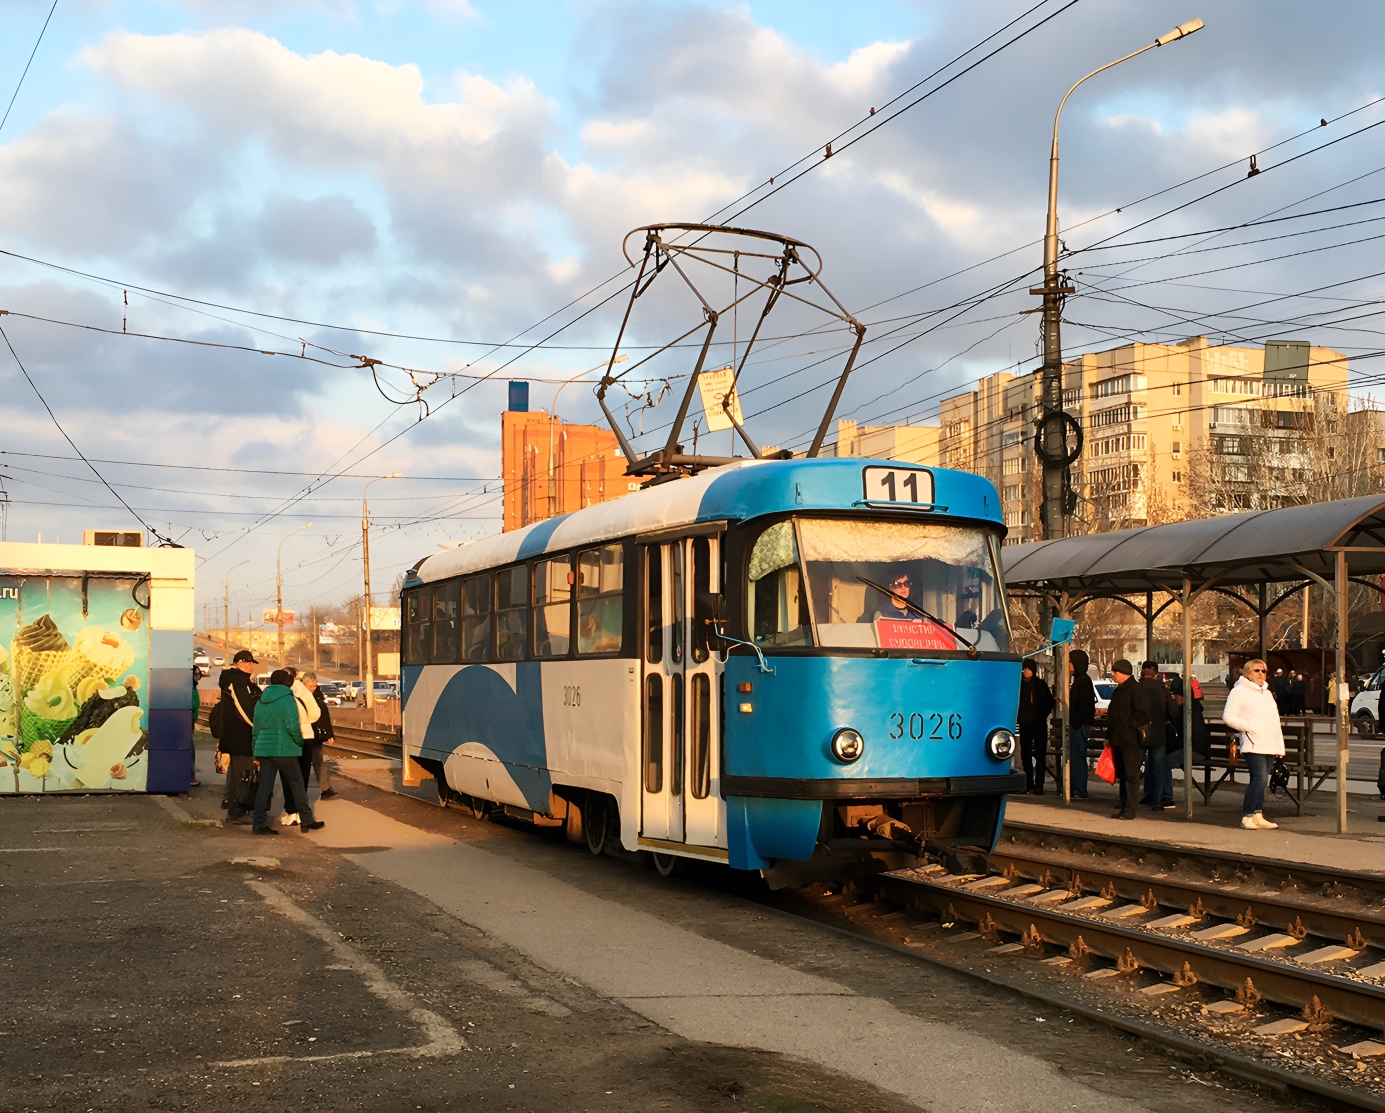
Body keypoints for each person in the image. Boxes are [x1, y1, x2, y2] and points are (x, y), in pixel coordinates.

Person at [250, 670, 323, 835]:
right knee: (297, 784)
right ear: (286, 682)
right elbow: (292, 725)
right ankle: (307, 820)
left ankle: (259, 823)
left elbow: (256, 728)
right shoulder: (287, 699)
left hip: (264, 748)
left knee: (264, 787)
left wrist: (256, 750)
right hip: (284, 748)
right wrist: (299, 742)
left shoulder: (261, 701)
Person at [1221, 657, 1284, 830]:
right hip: (1253, 743)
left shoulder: (1267, 693)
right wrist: (1248, 727)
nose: (1261, 674)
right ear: (1248, 673)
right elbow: (1228, 717)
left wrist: (1280, 746)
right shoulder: (1239, 692)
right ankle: (1247, 815)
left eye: (1264, 671)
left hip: (1270, 743)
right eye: (1257, 670)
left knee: (1263, 780)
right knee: (1259, 778)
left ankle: (1258, 813)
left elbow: (1274, 720)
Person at [217, 650, 261, 823]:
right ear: (238, 664)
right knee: (244, 774)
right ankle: (237, 811)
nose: (251, 666)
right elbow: (244, 710)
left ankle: (238, 807)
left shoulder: (239, 682)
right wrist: (258, 726)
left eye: (252, 663)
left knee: (240, 773)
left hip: (239, 736)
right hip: (241, 736)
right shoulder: (237, 683)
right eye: (248, 663)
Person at [1106, 659, 1150, 821]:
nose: (1113, 675)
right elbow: (1112, 716)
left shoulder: (1136, 690)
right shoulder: (1118, 691)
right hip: (1118, 739)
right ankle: (1124, 806)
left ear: (1124, 673)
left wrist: (1128, 726)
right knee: (1123, 774)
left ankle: (1130, 810)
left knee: (1131, 775)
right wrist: (1109, 736)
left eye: (1115, 672)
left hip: (1131, 740)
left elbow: (1142, 712)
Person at [278, 666, 321, 825]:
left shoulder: (280, 692)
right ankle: (303, 812)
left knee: (288, 776)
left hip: (287, 738)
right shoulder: (304, 691)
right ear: (296, 676)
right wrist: (305, 722)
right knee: (302, 776)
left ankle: (291, 813)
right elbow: (316, 714)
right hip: (307, 736)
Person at [1017, 661, 1056, 794]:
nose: (1025, 671)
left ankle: (1039, 785)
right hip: (1025, 725)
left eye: (1028, 669)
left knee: (1040, 755)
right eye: (1024, 669)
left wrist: (1041, 715)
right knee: (1025, 755)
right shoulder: (1020, 686)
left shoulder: (1040, 685)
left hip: (1039, 725)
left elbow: (1050, 703)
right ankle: (1028, 784)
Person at [1139, 661, 1173, 811]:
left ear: (1141, 672)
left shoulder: (1136, 687)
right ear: (1156, 674)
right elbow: (1173, 711)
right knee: (1158, 766)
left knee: (1135, 766)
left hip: (1138, 732)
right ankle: (1156, 800)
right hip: (1158, 732)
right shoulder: (1161, 688)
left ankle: (1132, 797)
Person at [301, 670, 336, 799]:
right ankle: (300, 791)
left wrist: (329, 734)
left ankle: (324, 789)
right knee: (303, 764)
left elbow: (324, 716)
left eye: (314, 686)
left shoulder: (318, 696)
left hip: (315, 736)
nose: (312, 689)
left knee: (318, 762)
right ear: (303, 684)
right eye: (310, 686)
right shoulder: (298, 695)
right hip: (302, 735)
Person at [1067, 649, 1097, 799]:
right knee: (1075, 757)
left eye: (1070, 661)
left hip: (1079, 725)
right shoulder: (1078, 679)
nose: (1068, 664)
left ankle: (1079, 789)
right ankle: (1074, 787)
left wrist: (1075, 723)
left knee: (1078, 757)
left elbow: (1085, 705)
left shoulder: (1083, 681)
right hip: (1077, 724)